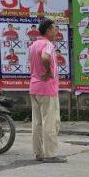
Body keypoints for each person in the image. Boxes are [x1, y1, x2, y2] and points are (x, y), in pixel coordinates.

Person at [29, 19, 64, 162]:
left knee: (37, 122)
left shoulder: (33, 45)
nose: (56, 32)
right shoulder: (48, 44)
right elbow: (45, 57)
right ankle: (51, 154)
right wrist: (48, 71)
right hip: (47, 88)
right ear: (48, 30)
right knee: (50, 121)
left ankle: (39, 152)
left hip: (34, 87)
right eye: (54, 29)